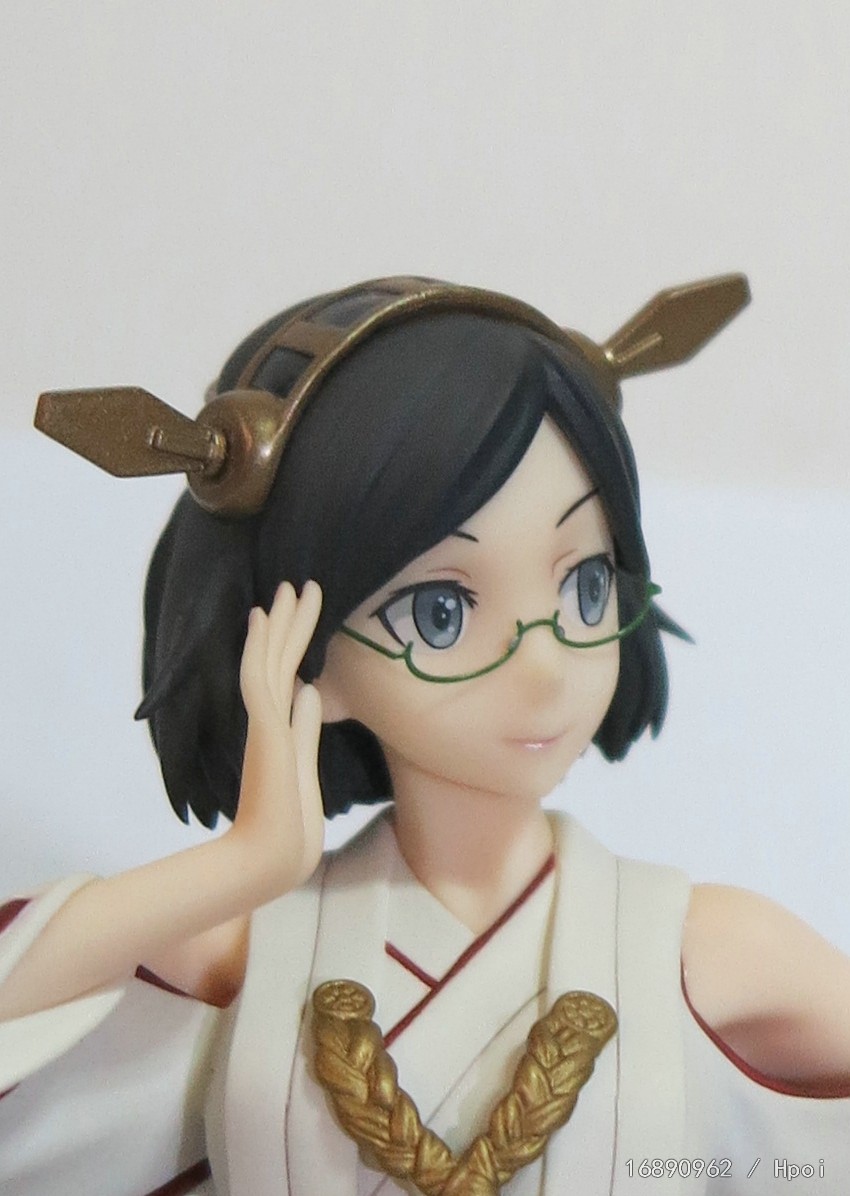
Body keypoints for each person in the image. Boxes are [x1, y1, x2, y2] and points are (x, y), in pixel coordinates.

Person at [2, 276, 849, 1196]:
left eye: (586, 588)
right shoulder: (256, 943)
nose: (543, 666)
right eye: (441, 612)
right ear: (305, 654)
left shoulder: (698, 949)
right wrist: (247, 862)